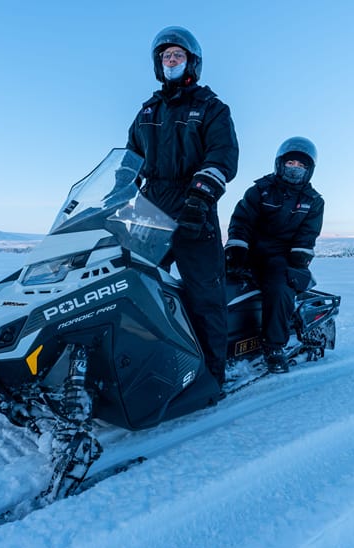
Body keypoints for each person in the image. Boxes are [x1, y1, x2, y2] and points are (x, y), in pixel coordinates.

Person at [126, 26, 239, 388]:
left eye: (177, 56)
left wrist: (201, 196)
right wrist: (116, 191)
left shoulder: (211, 108)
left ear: (192, 62)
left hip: (195, 208)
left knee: (205, 294)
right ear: (158, 65)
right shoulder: (147, 112)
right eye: (165, 57)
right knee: (133, 289)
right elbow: (129, 159)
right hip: (150, 209)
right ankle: (135, 365)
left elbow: (222, 156)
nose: (171, 61)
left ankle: (211, 376)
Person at [225, 137, 324, 374]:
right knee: (209, 278)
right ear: (280, 164)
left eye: (300, 166)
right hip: (249, 250)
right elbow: (242, 220)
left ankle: (274, 346)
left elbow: (308, 234)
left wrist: (300, 254)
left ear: (309, 170)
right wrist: (237, 247)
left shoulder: (314, 201)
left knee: (279, 288)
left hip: (283, 256)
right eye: (291, 163)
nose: (295, 169)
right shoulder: (260, 190)